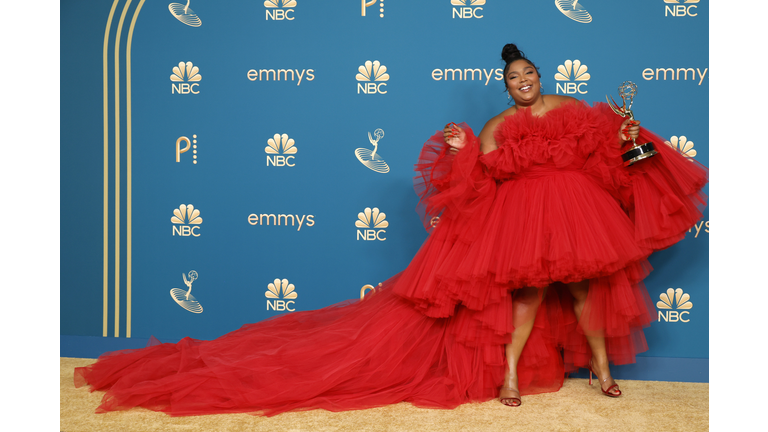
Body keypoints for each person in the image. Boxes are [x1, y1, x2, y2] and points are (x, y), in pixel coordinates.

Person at [74, 43, 708, 415]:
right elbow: (477, 179)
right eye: (512, 79)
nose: (523, 83)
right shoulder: (495, 125)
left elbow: (607, 143)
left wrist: (630, 136)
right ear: (504, 86)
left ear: (541, 76)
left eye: (529, 75)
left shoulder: (572, 108)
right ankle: (510, 375)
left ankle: (600, 370)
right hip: (526, 226)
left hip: (576, 217)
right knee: (529, 297)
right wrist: (462, 148)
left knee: (587, 293)